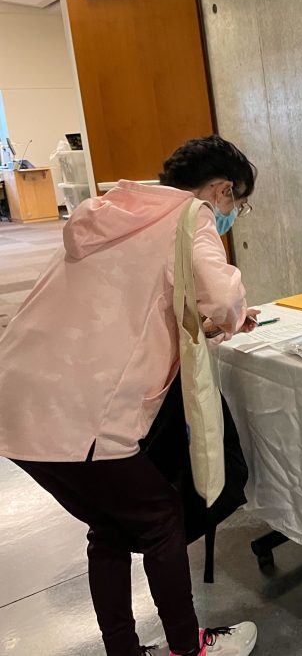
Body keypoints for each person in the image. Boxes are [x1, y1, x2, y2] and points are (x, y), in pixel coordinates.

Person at [0, 135, 260, 656]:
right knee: (163, 519)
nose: (233, 213)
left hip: (16, 397)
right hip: (82, 415)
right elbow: (224, 294)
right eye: (238, 203)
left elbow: (133, 301)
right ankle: (191, 648)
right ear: (221, 189)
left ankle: (123, 648)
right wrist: (227, 319)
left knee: (111, 524)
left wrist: (199, 324)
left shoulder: (113, 207)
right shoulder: (192, 216)